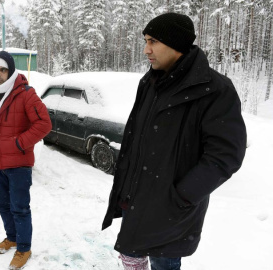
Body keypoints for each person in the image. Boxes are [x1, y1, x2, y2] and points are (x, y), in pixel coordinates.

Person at [101, 13, 247, 270]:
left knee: (163, 262)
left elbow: (225, 156)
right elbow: (137, 135)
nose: (146, 49)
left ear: (177, 44)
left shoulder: (215, 89)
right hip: (138, 198)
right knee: (131, 254)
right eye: (146, 40)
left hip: (172, 209)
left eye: (153, 41)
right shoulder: (149, 81)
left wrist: (181, 196)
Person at [0, 51, 51, 270]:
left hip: (19, 165)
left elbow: (44, 124)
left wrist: (18, 144)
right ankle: (12, 238)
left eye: (2, 70)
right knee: (2, 204)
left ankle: (24, 248)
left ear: (10, 71)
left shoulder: (25, 93)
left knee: (20, 208)